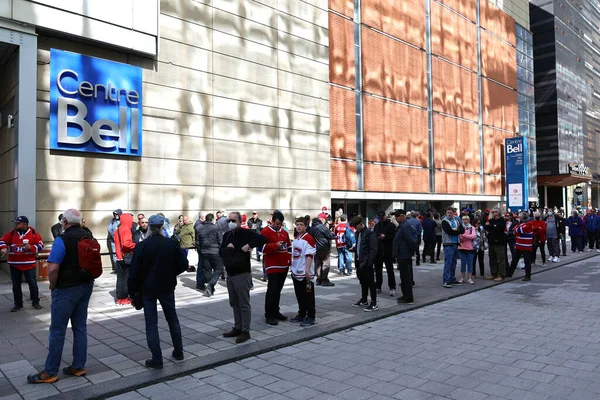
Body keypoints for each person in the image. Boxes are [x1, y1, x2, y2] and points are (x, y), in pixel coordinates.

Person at [26, 209, 95, 383]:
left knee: (57, 331)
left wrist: (52, 285)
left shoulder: (61, 240)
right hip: (86, 286)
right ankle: (78, 367)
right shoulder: (89, 237)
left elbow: (53, 268)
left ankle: (50, 372)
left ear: (64, 221)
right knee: (80, 328)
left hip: (66, 289)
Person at [128, 214, 189, 369]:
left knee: (151, 324)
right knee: (172, 319)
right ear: (162, 227)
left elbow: (133, 272)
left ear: (149, 228)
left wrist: (132, 292)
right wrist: (171, 273)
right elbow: (183, 263)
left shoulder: (143, 245)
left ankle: (157, 358)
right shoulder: (171, 243)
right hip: (167, 286)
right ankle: (179, 351)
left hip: (147, 289)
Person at [220, 212, 266, 343]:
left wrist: (249, 245)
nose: (231, 222)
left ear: (240, 221)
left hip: (242, 273)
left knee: (244, 303)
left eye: (234, 220)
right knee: (234, 303)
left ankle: (245, 330)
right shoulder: (227, 235)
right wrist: (228, 249)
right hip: (230, 274)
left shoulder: (246, 233)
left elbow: (262, 239)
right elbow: (220, 251)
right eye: (229, 220)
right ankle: (237, 327)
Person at [0, 216, 44, 312]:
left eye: (18, 223)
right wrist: (3, 247)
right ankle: (18, 304)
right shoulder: (11, 233)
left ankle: (35, 302)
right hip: (14, 264)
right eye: (16, 223)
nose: (16, 225)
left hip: (29, 264)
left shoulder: (33, 233)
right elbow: (2, 240)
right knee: (16, 286)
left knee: (32, 284)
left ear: (25, 224)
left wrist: (31, 247)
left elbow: (40, 245)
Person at [261, 211, 292, 325]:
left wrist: (290, 260)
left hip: (283, 265)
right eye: (277, 223)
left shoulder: (284, 232)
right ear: (272, 221)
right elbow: (261, 248)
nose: (279, 226)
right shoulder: (265, 232)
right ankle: (269, 314)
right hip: (272, 265)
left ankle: (276, 311)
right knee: (272, 290)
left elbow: (289, 247)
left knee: (278, 290)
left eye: (280, 224)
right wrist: (275, 246)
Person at [290, 217, 317, 326]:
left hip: (305, 273)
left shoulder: (309, 239)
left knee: (308, 296)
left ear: (306, 226)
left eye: (301, 225)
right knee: (299, 295)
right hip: (296, 272)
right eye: (297, 225)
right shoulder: (296, 239)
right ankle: (301, 313)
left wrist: (307, 270)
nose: (299, 227)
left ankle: (311, 316)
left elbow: (309, 255)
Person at [349, 216, 378, 311]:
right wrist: (354, 250)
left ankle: (374, 303)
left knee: (370, 282)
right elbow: (360, 246)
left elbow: (373, 250)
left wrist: (369, 262)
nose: (355, 228)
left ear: (361, 224)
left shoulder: (369, 233)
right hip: (359, 261)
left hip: (366, 262)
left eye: (356, 226)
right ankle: (364, 299)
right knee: (363, 282)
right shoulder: (358, 233)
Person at [195, 213, 223, 296]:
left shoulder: (199, 228)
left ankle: (210, 289)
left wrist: (200, 252)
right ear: (212, 219)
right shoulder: (217, 228)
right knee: (219, 268)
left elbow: (197, 242)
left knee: (207, 271)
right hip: (215, 252)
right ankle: (210, 285)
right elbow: (220, 242)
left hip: (204, 252)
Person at [392, 210, 416, 305]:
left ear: (402, 216)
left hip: (404, 255)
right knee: (404, 277)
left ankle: (408, 297)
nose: (396, 219)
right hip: (402, 254)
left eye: (397, 217)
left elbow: (411, 240)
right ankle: (405, 295)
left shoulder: (405, 226)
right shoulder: (402, 226)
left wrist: (410, 252)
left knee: (406, 277)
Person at [113, 213, 136, 305]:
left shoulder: (117, 229)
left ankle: (119, 298)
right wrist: (136, 245)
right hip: (126, 257)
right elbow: (127, 244)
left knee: (120, 278)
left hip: (118, 257)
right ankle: (125, 297)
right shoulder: (126, 229)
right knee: (126, 278)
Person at [506, 212, 535, 281]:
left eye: (519, 217)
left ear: (522, 217)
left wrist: (517, 230)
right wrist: (517, 230)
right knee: (514, 260)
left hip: (526, 246)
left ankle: (528, 276)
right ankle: (509, 274)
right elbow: (514, 229)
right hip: (519, 245)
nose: (518, 218)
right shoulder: (520, 223)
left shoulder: (529, 224)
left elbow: (518, 230)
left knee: (527, 261)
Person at [373, 211, 396, 295]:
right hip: (378, 251)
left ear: (385, 217)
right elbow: (374, 236)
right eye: (380, 218)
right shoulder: (377, 226)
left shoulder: (391, 226)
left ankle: (392, 287)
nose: (381, 219)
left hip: (388, 250)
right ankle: (378, 286)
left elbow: (394, 237)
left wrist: (386, 236)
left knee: (390, 270)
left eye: (382, 218)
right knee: (378, 270)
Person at [441, 207, 463, 288]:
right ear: (446, 213)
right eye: (448, 212)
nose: (449, 214)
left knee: (454, 262)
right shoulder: (444, 221)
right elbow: (449, 231)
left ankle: (452, 278)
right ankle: (446, 280)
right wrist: (457, 231)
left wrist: (456, 231)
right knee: (448, 262)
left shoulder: (456, 220)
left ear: (453, 213)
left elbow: (462, 230)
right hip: (448, 244)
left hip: (455, 243)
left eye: (451, 212)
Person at [311, 214, 335, 286]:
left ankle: (319, 280)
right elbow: (330, 236)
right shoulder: (322, 227)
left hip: (316, 248)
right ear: (322, 219)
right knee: (325, 264)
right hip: (323, 248)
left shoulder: (312, 227)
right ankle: (324, 280)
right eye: (325, 219)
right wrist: (332, 234)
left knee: (318, 264)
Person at [483, 207, 506, 282]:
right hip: (491, 241)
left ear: (498, 213)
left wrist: (492, 226)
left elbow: (499, 228)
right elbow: (486, 226)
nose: (493, 213)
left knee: (500, 259)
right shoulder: (491, 220)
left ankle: (501, 274)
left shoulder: (502, 220)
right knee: (492, 258)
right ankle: (494, 273)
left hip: (499, 242)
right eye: (492, 212)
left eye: (494, 212)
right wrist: (493, 226)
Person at [458, 216, 476, 285]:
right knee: (463, 264)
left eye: (466, 219)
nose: (465, 221)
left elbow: (473, 236)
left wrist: (464, 236)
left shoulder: (472, 228)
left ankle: (470, 278)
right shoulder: (460, 228)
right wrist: (467, 236)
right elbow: (459, 237)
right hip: (461, 248)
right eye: (463, 219)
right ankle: (462, 278)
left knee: (470, 263)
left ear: (469, 220)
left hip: (470, 248)